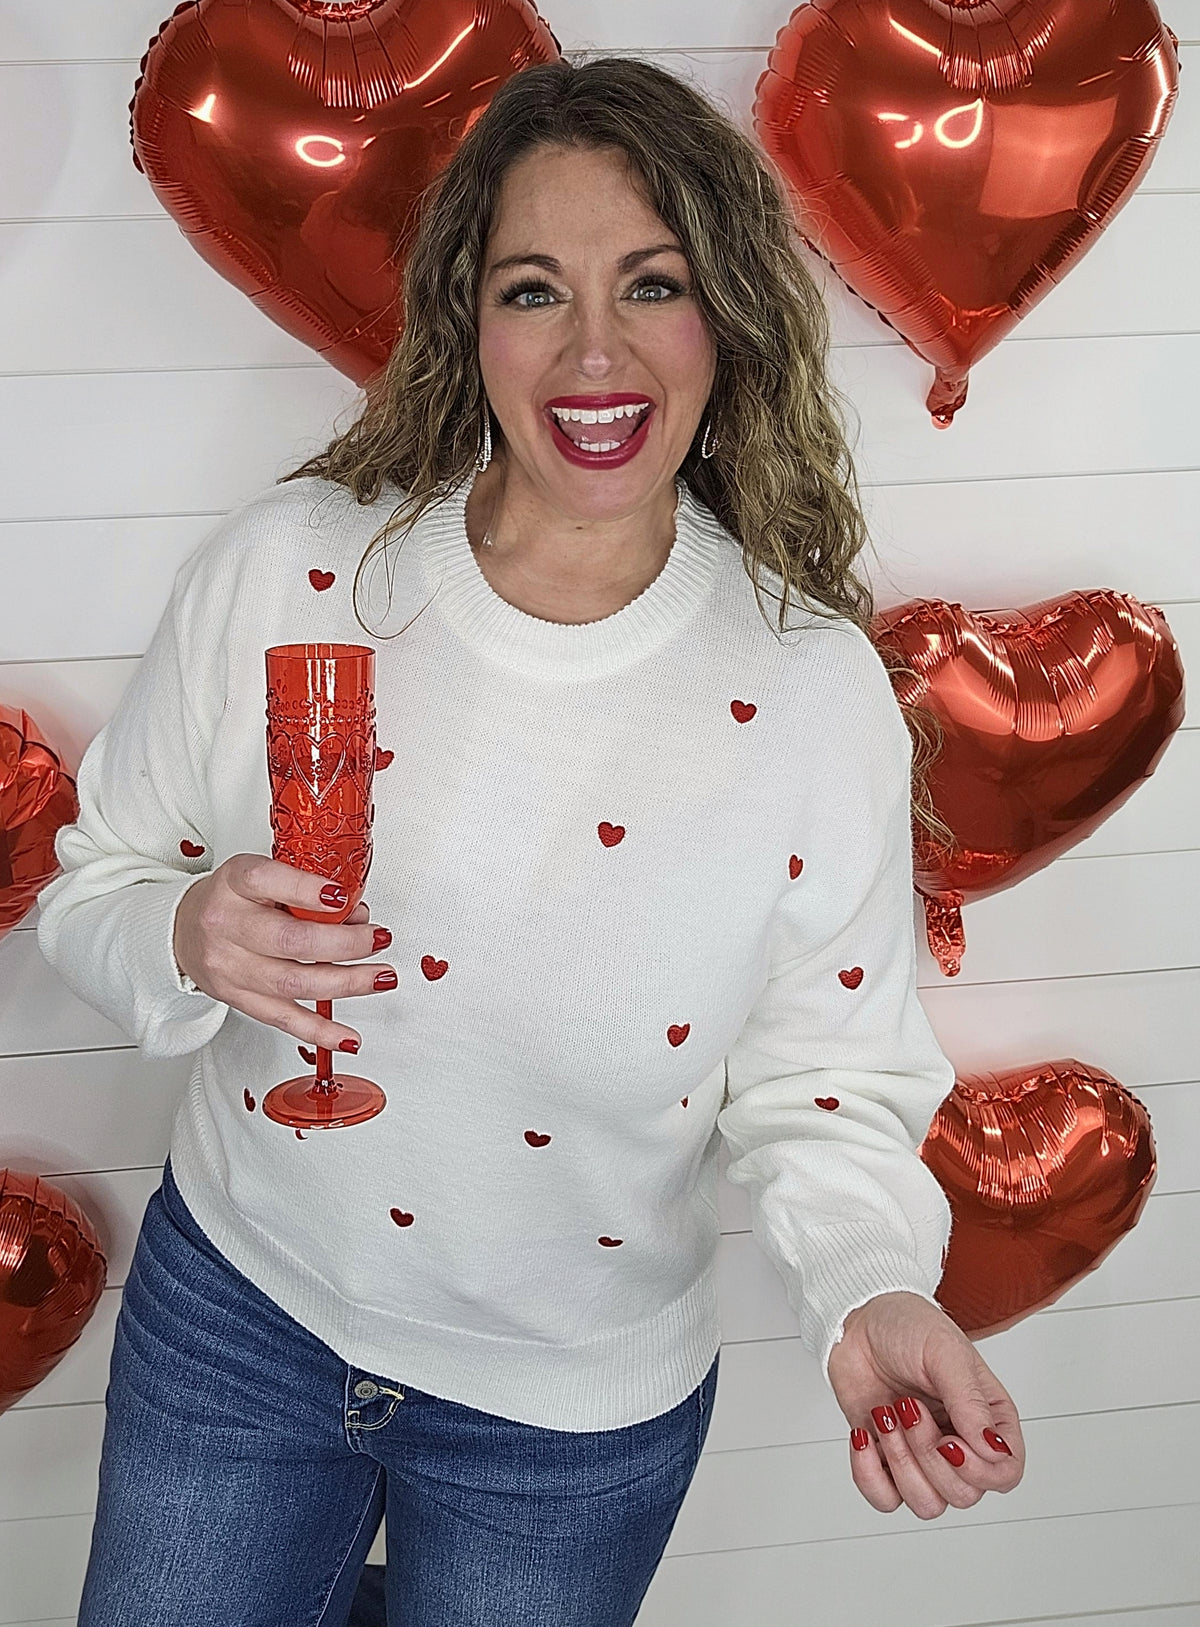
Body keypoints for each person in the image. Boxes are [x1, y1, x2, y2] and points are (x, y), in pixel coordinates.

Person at [35, 54, 1023, 1627]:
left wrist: (871, 1287)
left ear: (732, 318)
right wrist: (180, 932)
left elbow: (824, 1084)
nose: (593, 351)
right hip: (236, 1325)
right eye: (532, 290)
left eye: (653, 283)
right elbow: (100, 882)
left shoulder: (811, 688)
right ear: (463, 321)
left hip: (567, 1429)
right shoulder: (298, 566)